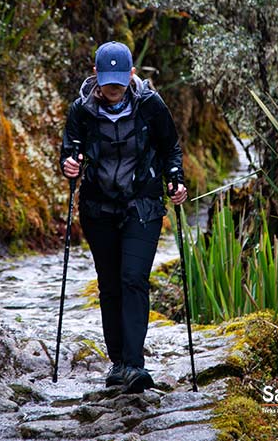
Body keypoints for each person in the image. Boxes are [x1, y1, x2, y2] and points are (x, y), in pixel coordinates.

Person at [60, 41, 187, 393]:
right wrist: (69, 164)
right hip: (98, 207)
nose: (113, 89)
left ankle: (134, 364)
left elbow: (170, 147)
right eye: (107, 82)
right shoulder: (81, 110)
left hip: (142, 205)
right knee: (110, 284)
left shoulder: (150, 105)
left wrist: (175, 178)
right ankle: (117, 363)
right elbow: (69, 151)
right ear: (96, 75)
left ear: (131, 75)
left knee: (133, 278)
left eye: (119, 81)